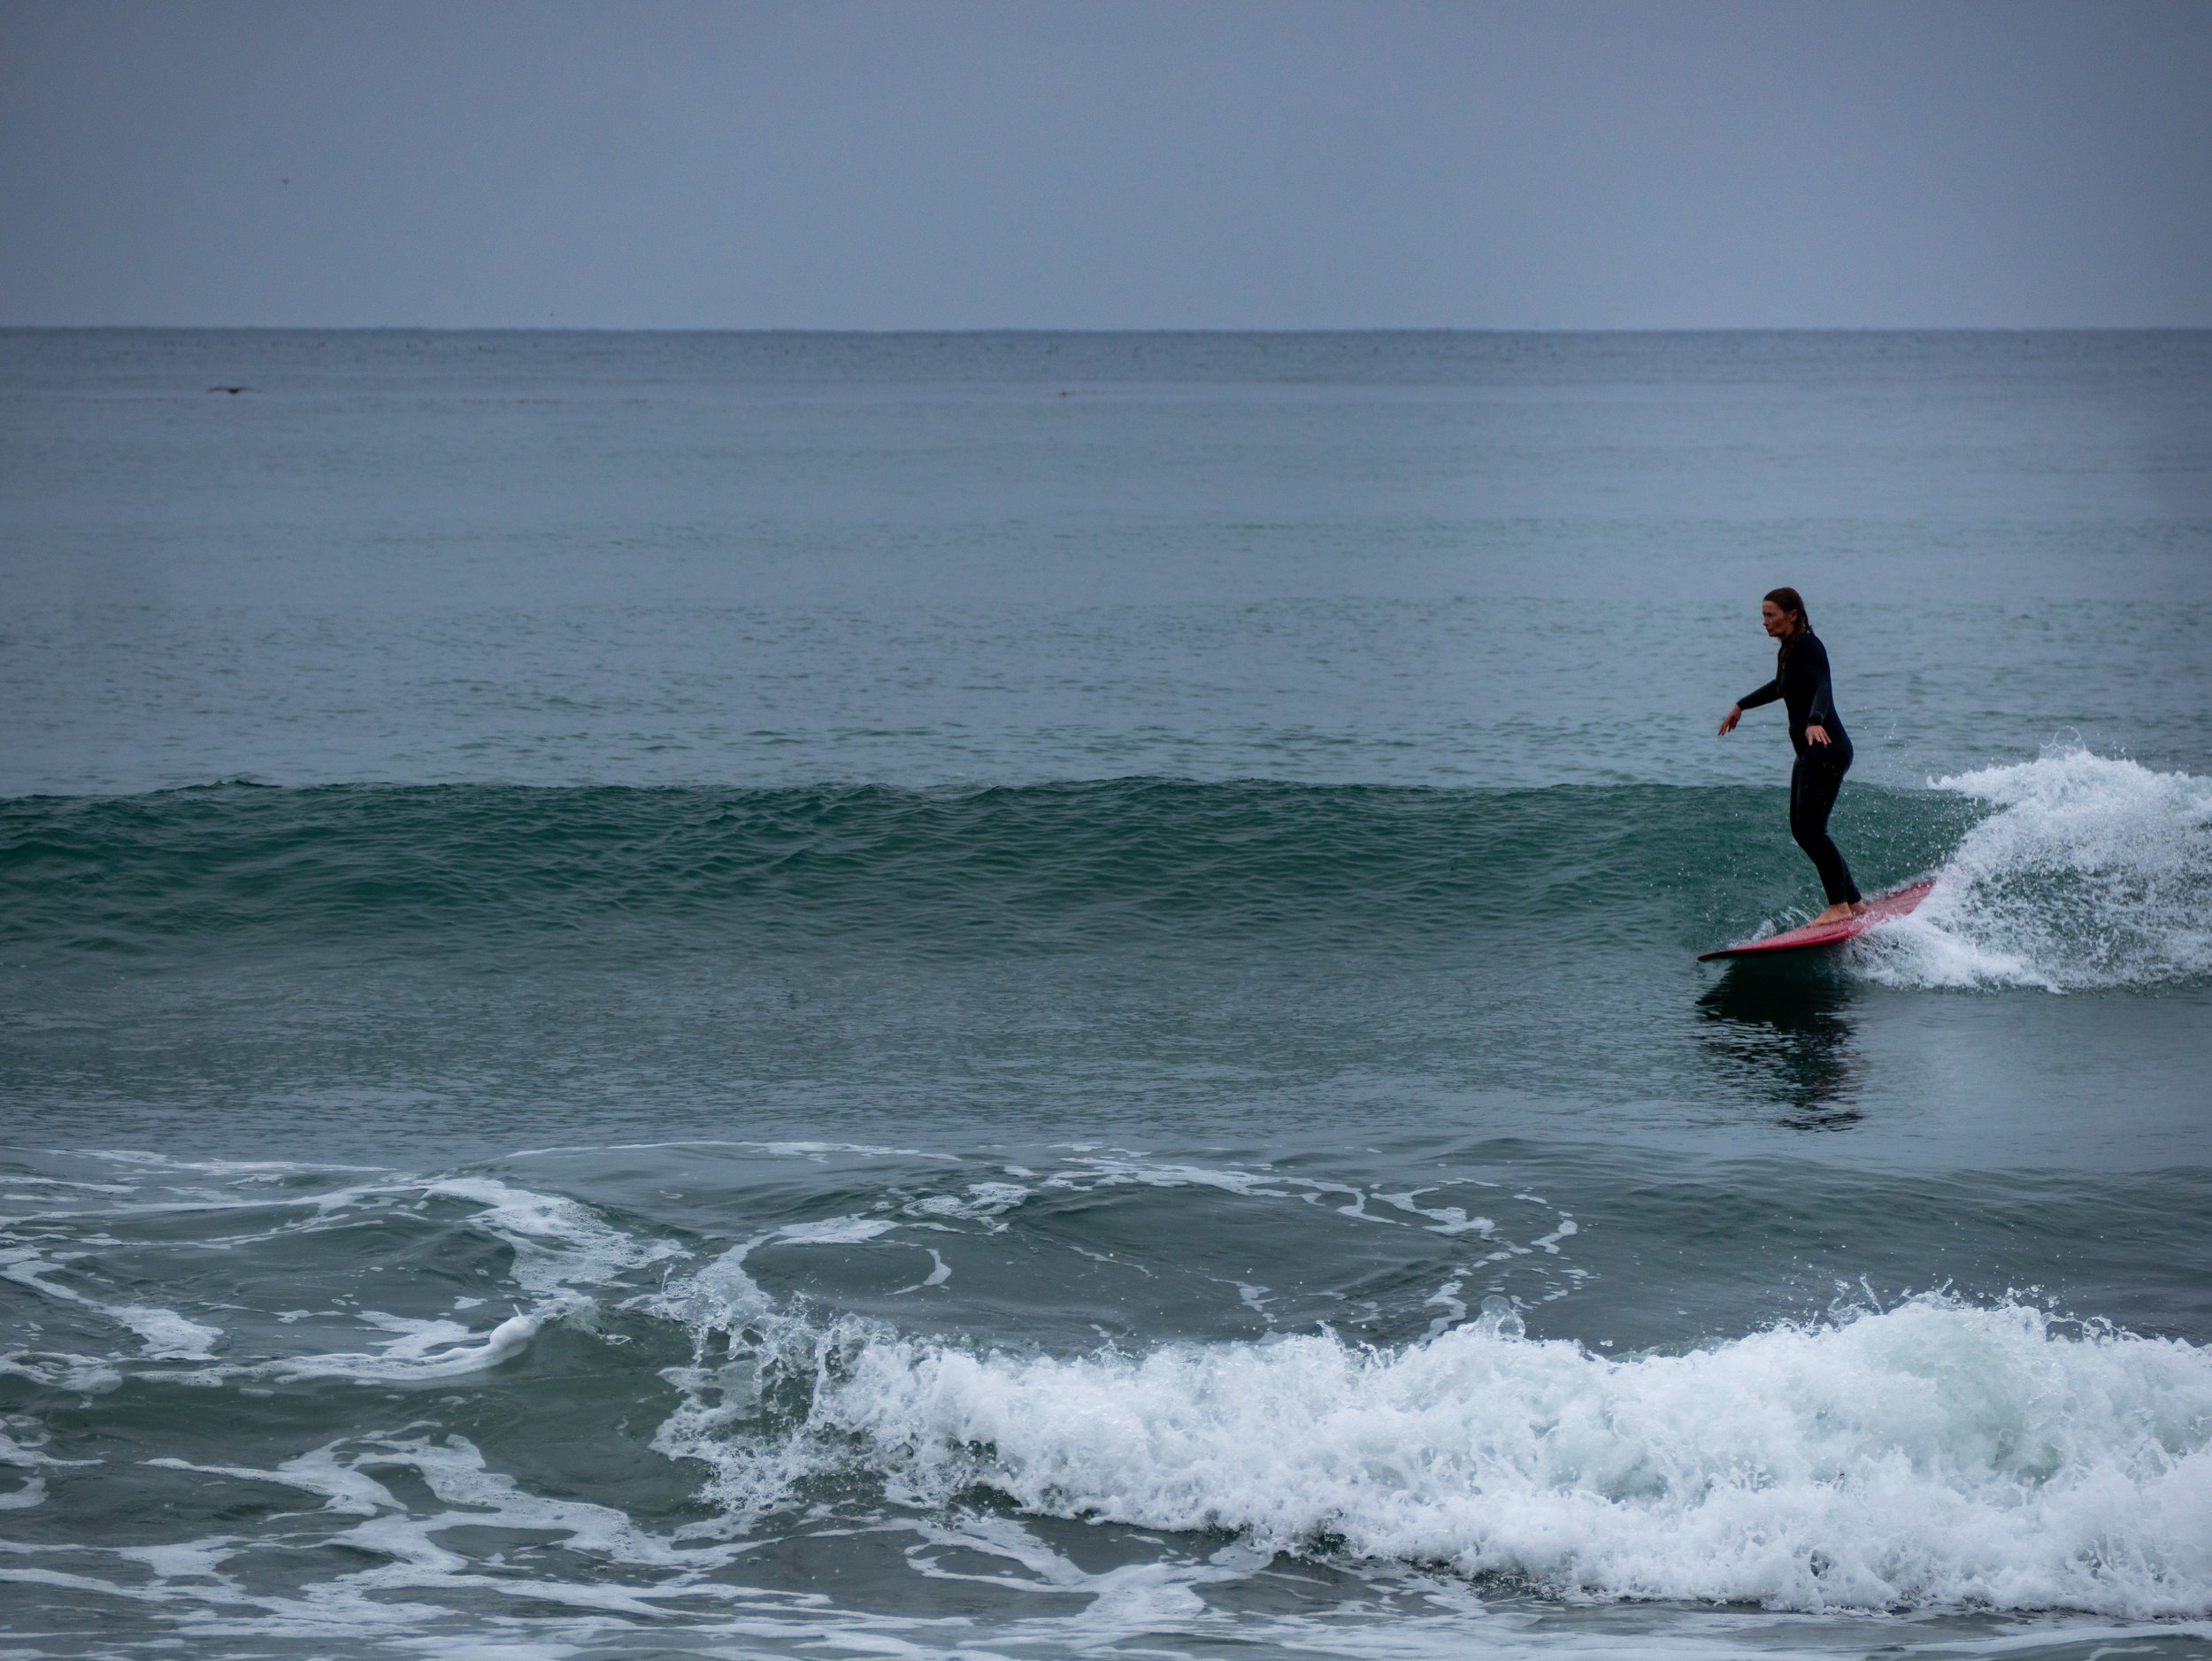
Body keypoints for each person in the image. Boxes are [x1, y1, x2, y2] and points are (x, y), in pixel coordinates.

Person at [1717, 588, 1864, 926]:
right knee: (1804, 830)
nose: (1764, 623)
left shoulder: (1809, 645)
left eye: (1770, 615)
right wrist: (1742, 704)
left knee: (1812, 830)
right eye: (1763, 616)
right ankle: (1854, 902)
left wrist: (1814, 721)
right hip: (1810, 753)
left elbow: (1823, 685)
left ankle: (1839, 905)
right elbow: (1780, 686)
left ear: (1793, 614)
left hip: (1825, 748)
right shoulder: (1790, 649)